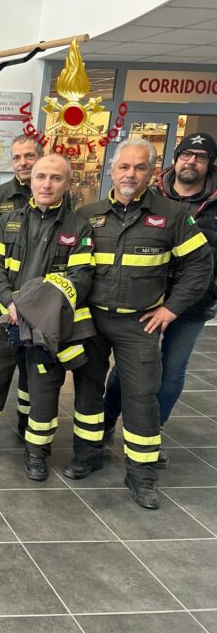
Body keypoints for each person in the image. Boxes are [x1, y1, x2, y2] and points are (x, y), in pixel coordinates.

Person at [67, 138, 211, 509]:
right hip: (92, 320)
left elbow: (200, 265)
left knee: (141, 397)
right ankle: (87, 454)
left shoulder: (172, 215)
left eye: (140, 167)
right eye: (124, 166)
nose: (131, 174)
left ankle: (142, 475)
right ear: (111, 170)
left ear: (152, 171)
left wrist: (171, 309)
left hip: (139, 324)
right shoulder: (88, 214)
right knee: (88, 390)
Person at [0, 154, 94, 480]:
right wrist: (8, 301)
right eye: (41, 176)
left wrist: (31, 308)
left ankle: (37, 451)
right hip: (8, 321)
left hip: (46, 326)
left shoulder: (78, 227)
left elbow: (79, 278)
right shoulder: (9, 221)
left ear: (67, 183)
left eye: (56, 178)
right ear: (31, 180)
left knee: (44, 388)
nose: (47, 184)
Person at [102, 132, 217, 468]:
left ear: (210, 164)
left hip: (193, 303)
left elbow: (201, 263)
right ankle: (106, 422)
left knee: (172, 371)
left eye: (201, 156)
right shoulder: (149, 196)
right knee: (129, 368)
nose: (192, 161)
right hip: (145, 301)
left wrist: (174, 306)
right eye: (186, 154)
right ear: (175, 159)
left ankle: (152, 431)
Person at [0, 134, 44, 434]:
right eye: (17, 157)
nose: (23, 162)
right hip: (2, 305)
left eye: (29, 156)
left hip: (39, 309)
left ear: (40, 157)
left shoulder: (59, 197)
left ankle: (26, 425)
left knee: (32, 371)